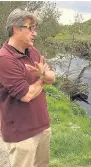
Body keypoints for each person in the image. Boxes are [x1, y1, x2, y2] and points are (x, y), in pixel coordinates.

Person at [0, 8, 55, 167]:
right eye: (31, 28)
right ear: (16, 29)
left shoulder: (33, 51)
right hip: (22, 135)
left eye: (35, 29)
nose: (35, 33)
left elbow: (53, 76)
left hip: (42, 126)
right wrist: (43, 78)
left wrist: (44, 75)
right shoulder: (5, 59)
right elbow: (27, 95)